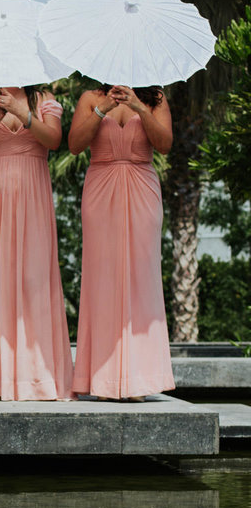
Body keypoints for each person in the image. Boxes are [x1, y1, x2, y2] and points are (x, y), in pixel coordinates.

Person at [0, 86, 73, 400]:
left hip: (33, 195)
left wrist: (22, 113)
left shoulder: (45, 100)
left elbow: (53, 140)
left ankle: (34, 376)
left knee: (33, 280)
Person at [69, 83, 174, 400]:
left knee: (142, 280)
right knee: (103, 279)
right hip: (101, 187)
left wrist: (139, 107)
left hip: (142, 186)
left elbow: (165, 144)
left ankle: (139, 378)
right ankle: (103, 378)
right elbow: (74, 145)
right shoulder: (91, 98)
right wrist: (104, 109)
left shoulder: (155, 99)